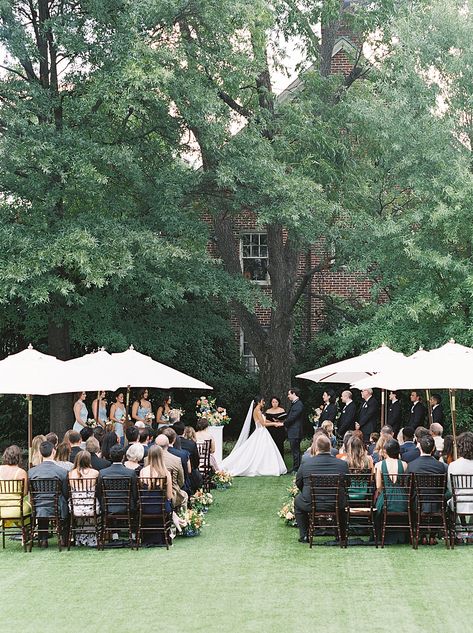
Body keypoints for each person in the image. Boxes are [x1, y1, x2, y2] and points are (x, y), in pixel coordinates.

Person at [294, 434, 349, 543]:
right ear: (330, 447)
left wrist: (305, 492)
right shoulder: (342, 464)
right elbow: (347, 484)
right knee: (343, 505)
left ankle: (304, 534)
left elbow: (298, 482)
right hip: (336, 502)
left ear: (316, 448)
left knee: (297, 502)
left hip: (311, 502)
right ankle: (341, 535)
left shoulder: (306, 463)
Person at [221, 396, 287, 477]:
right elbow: (263, 424)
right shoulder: (257, 411)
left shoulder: (258, 410)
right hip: (261, 431)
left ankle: (264, 466)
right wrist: (274, 424)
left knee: (264, 450)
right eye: (263, 401)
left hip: (262, 432)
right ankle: (262, 467)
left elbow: (263, 421)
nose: (264, 403)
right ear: (259, 402)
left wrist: (274, 421)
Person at [28, 442, 69, 547]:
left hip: (38, 506)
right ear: (54, 452)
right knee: (65, 503)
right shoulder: (62, 471)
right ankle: (64, 538)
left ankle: (43, 539)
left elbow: (30, 492)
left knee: (43, 505)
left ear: (41, 454)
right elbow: (65, 493)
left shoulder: (32, 472)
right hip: (57, 506)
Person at [374, 439, 408, 544]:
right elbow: (405, 484)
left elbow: (378, 486)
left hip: (386, 498)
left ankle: (380, 535)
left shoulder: (379, 465)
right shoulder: (404, 464)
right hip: (402, 499)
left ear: (385, 451)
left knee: (377, 508)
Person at [139, 445, 174, 544]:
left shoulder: (142, 471)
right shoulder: (165, 473)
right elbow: (169, 496)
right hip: (161, 507)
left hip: (145, 507)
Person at [68, 450, 99, 547]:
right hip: (91, 507)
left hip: (75, 507)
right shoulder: (95, 473)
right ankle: (90, 539)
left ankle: (79, 538)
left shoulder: (71, 473)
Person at [98, 444, 138, 513]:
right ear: (123, 457)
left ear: (110, 456)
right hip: (127, 506)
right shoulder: (131, 473)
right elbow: (135, 493)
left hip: (107, 506)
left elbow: (99, 493)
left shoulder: (103, 473)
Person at [0, 445, 31, 533]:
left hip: (1, 509)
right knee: (30, 508)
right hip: (17, 508)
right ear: (18, 457)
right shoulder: (21, 472)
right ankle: (26, 533)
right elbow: (24, 493)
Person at [155, 435, 188, 508]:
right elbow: (181, 480)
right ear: (167, 445)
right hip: (171, 492)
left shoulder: (147, 459)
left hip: (151, 492)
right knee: (184, 495)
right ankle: (181, 516)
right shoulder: (176, 460)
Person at [447, 432, 473, 526]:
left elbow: (450, 488)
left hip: (458, 503)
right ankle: (470, 530)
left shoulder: (453, 465)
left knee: (450, 502)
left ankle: (461, 531)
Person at [173, 421, 203, 492]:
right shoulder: (191, 443)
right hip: (188, 473)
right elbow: (196, 460)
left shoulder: (169, 443)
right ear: (184, 431)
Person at [284, 388, 305, 473]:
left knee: (295, 451)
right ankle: (296, 467)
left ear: (294, 394)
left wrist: (284, 423)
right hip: (294, 431)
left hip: (295, 431)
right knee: (295, 450)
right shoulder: (295, 404)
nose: (288, 396)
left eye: (289, 394)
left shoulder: (298, 404)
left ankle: (297, 468)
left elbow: (293, 417)